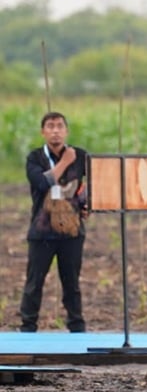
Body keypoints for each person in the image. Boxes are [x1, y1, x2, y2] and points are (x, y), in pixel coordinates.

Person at [19, 112, 90, 333]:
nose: (55, 130)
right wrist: (65, 162)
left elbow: (96, 181)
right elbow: (42, 183)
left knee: (72, 284)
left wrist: (86, 203)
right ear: (43, 132)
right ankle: (28, 327)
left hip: (72, 232)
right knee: (34, 283)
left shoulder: (81, 155)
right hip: (42, 233)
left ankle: (77, 327)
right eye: (50, 126)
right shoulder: (35, 157)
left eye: (60, 126)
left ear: (66, 130)